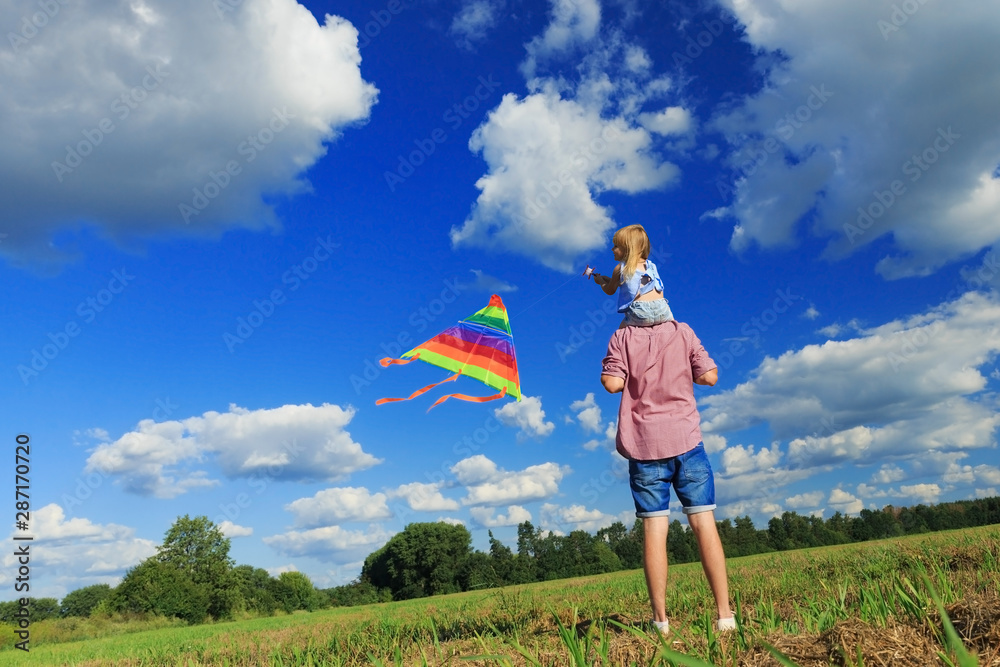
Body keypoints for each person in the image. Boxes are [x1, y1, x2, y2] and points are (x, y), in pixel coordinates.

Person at [600, 319, 735, 636]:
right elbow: (709, 376)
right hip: (686, 441)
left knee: (654, 529)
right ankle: (725, 617)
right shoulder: (683, 331)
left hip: (645, 447)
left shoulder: (621, 336)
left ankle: (660, 622)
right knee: (704, 523)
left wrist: (625, 350)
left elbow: (612, 383)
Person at [589, 224, 674, 327]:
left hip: (640, 311)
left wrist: (601, 282)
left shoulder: (621, 267)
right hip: (663, 309)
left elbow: (610, 290)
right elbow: (634, 284)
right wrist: (608, 279)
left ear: (628, 248)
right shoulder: (651, 266)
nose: (612, 249)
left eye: (616, 246)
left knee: (621, 332)